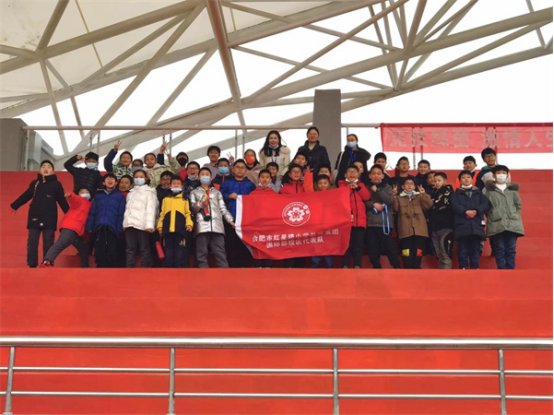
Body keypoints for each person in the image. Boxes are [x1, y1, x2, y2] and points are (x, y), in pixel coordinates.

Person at [10, 160, 69, 268]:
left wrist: (69, 214)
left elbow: (62, 200)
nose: (46, 169)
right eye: (43, 167)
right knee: (32, 241)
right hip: (34, 215)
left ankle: (48, 262)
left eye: (49, 167)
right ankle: (32, 264)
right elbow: (26, 195)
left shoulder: (57, 184)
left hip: (50, 217)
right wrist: (15, 205)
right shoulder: (35, 183)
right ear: (40, 170)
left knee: (48, 241)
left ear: (53, 171)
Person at [190, 168, 236, 269]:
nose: (205, 176)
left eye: (207, 174)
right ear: (199, 178)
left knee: (220, 251)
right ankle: (203, 273)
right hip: (201, 225)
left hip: (217, 225)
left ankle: (224, 273)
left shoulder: (217, 192)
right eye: (202, 174)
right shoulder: (194, 192)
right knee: (202, 252)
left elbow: (223, 209)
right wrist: (200, 203)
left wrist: (230, 220)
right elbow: (192, 209)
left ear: (211, 178)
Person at [484, 165, 524, 270]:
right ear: (494, 175)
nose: (501, 175)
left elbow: (518, 205)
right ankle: (501, 268)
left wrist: (514, 214)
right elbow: (486, 207)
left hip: (512, 223)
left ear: (507, 175)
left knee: (511, 248)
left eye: (503, 173)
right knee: (499, 248)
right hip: (496, 223)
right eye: (498, 173)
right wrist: (493, 214)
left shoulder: (512, 191)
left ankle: (510, 268)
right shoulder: (489, 191)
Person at [40, 188, 92, 268]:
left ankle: (85, 268)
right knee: (60, 244)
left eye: (87, 192)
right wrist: (70, 195)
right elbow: (74, 199)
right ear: (79, 194)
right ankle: (46, 262)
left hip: (78, 232)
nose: (85, 193)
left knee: (84, 247)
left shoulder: (90, 205)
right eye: (82, 192)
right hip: (70, 227)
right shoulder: (81, 201)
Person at [221, 159, 257, 268]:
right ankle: (232, 268)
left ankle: (246, 268)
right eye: (237, 167)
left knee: (245, 244)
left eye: (242, 168)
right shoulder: (226, 183)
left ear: (246, 170)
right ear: (233, 169)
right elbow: (219, 197)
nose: (240, 170)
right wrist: (228, 196)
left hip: (246, 220)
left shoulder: (250, 185)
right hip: (230, 219)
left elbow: (255, 200)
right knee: (231, 244)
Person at [86, 173, 126, 268]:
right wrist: (90, 226)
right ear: (103, 183)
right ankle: (100, 268)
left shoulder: (120, 196)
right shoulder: (98, 196)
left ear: (116, 183)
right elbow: (93, 212)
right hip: (99, 226)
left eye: (112, 179)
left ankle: (110, 269)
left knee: (112, 249)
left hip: (112, 228)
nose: (110, 180)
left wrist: (119, 228)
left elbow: (121, 213)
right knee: (99, 249)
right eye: (107, 179)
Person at [365, 165, 401, 269]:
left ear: (382, 176)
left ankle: (397, 267)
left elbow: (390, 201)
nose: (376, 176)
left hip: (385, 223)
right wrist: (373, 204)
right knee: (373, 248)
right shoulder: (366, 188)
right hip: (371, 223)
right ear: (370, 176)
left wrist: (378, 191)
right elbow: (363, 202)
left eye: (378, 174)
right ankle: (376, 268)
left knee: (389, 247)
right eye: (373, 174)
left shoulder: (387, 187)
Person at [451, 171, 489, 270]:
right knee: (462, 248)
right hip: (462, 225)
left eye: (468, 177)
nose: (466, 179)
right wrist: (465, 212)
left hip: (476, 224)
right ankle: (463, 266)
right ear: (460, 181)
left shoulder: (479, 193)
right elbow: (454, 205)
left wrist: (476, 211)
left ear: (472, 180)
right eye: (463, 177)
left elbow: (485, 204)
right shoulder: (456, 194)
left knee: (475, 248)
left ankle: (475, 266)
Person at [393, 178, 433, 269]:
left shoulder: (419, 196)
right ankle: (407, 269)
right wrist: (394, 196)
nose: (409, 185)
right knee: (406, 251)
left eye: (411, 184)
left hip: (419, 229)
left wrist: (423, 194)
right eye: (407, 183)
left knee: (418, 250)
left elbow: (428, 205)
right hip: (405, 228)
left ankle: (417, 268)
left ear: (415, 187)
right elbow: (395, 209)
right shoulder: (399, 198)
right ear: (403, 186)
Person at [123, 170, 159, 268]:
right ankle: (129, 269)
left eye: (141, 177)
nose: (138, 179)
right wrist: (125, 223)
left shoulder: (149, 192)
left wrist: (149, 225)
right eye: (136, 177)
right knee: (130, 249)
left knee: (144, 248)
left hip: (143, 225)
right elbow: (128, 210)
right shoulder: (131, 193)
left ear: (146, 179)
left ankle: (145, 269)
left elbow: (151, 209)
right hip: (130, 224)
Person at [339, 166, 371, 269]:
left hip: (360, 221)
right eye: (349, 172)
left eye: (354, 172)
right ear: (345, 175)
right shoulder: (341, 185)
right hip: (346, 222)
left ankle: (357, 265)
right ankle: (345, 265)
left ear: (358, 174)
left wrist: (358, 188)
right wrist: (348, 188)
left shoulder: (361, 185)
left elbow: (367, 197)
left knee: (358, 246)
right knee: (346, 246)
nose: (352, 174)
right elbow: (340, 199)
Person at [158, 176, 194, 268]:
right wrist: (160, 227)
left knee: (179, 252)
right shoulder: (165, 199)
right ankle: (169, 271)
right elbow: (162, 214)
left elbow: (188, 213)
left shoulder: (184, 199)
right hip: (167, 230)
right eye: (174, 184)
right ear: (170, 185)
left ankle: (178, 271)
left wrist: (189, 224)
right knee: (168, 251)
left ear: (182, 186)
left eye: (178, 184)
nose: (176, 185)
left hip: (180, 230)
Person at [251, 170, 278, 268]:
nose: (264, 179)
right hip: (257, 226)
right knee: (257, 246)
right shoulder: (252, 194)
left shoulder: (274, 195)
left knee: (269, 246)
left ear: (270, 180)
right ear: (258, 179)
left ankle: (268, 266)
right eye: (262, 177)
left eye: (267, 177)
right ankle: (258, 266)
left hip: (270, 227)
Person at [429, 172, 455, 270]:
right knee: (438, 253)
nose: (436, 183)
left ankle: (447, 274)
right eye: (434, 181)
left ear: (445, 181)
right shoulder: (432, 194)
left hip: (446, 227)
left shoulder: (450, 194)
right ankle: (441, 272)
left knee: (445, 252)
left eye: (439, 180)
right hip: (434, 227)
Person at [312, 175, 335, 269]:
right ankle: (315, 269)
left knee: (328, 250)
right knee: (316, 250)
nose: (322, 185)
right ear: (317, 185)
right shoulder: (313, 196)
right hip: (316, 227)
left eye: (325, 183)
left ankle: (329, 270)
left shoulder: (334, 196)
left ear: (329, 184)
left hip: (329, 227)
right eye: (320, 183)